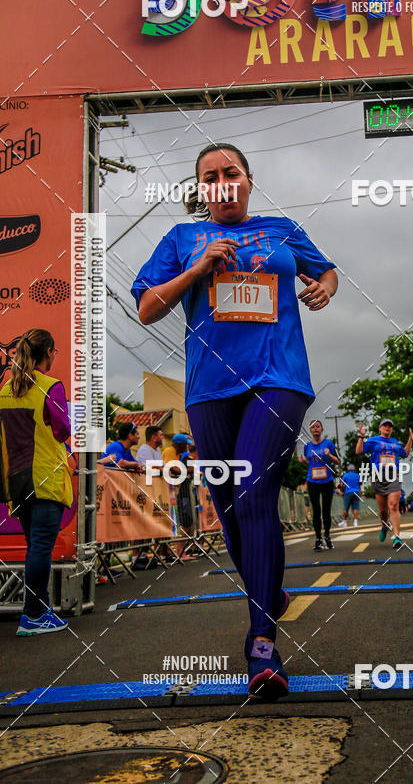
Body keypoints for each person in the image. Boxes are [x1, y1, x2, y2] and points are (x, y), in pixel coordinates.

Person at [132, 142, 337, 700]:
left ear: (248, 181)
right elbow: (147, 306)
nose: (222, 181)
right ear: (201, 190)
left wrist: (322, 286)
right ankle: (269, 590)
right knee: (228, 509)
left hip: (278, 377)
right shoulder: (180, 239)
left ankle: (261, 647)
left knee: (253, 495)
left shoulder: (281, 228)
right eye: (209, 176)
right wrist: (197, 268)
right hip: (209, 389)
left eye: (231, 172)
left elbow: (328, 271)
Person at [0, 330, 72, 635]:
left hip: (16, 479)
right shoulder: (49, 387)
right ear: (48, 353)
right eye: (54, 353)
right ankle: (32, 615)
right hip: (45, 476)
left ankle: (41, 611)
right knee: (41, 548)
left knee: (35, 547)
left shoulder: (5, 389)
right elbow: (63, 429)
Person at [356, 418, 413, 550]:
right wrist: (361, 436)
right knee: (383, 510)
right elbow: (359, 451)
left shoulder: (395, 442)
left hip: (394, 474)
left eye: (389, 426)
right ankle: (384, 526)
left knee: (393, 505)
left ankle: (397, 536)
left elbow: (405, 453)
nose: (387, 428)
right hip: (378, 475)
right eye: (385, 425)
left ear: (391, 429)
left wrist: (410, 440)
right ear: (380, 428)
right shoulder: (373, 440)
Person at [297, 419, 339, 549]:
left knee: (326, 510)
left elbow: (337, 461)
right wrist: (303, 461)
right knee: (316, 510)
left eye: (318, 426)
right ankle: (318, 539)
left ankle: (327, 536)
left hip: (327, 481)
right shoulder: (307, 446)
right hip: (312, 481)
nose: (315, 429)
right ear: (310, 430)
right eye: (313, 427)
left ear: (321, 429)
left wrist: (330, 455)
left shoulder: (328, 444)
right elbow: (311, 462)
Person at [339, 463, 361, 527]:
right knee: (355, 508)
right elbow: (360, 483)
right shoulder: (357, 475)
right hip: (356, 492)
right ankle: (355, 522)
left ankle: (344, 522)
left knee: (346, 508)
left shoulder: (345, 476)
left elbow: (341, 485)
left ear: (348, 470)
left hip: (348, 492)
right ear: (354, 469)